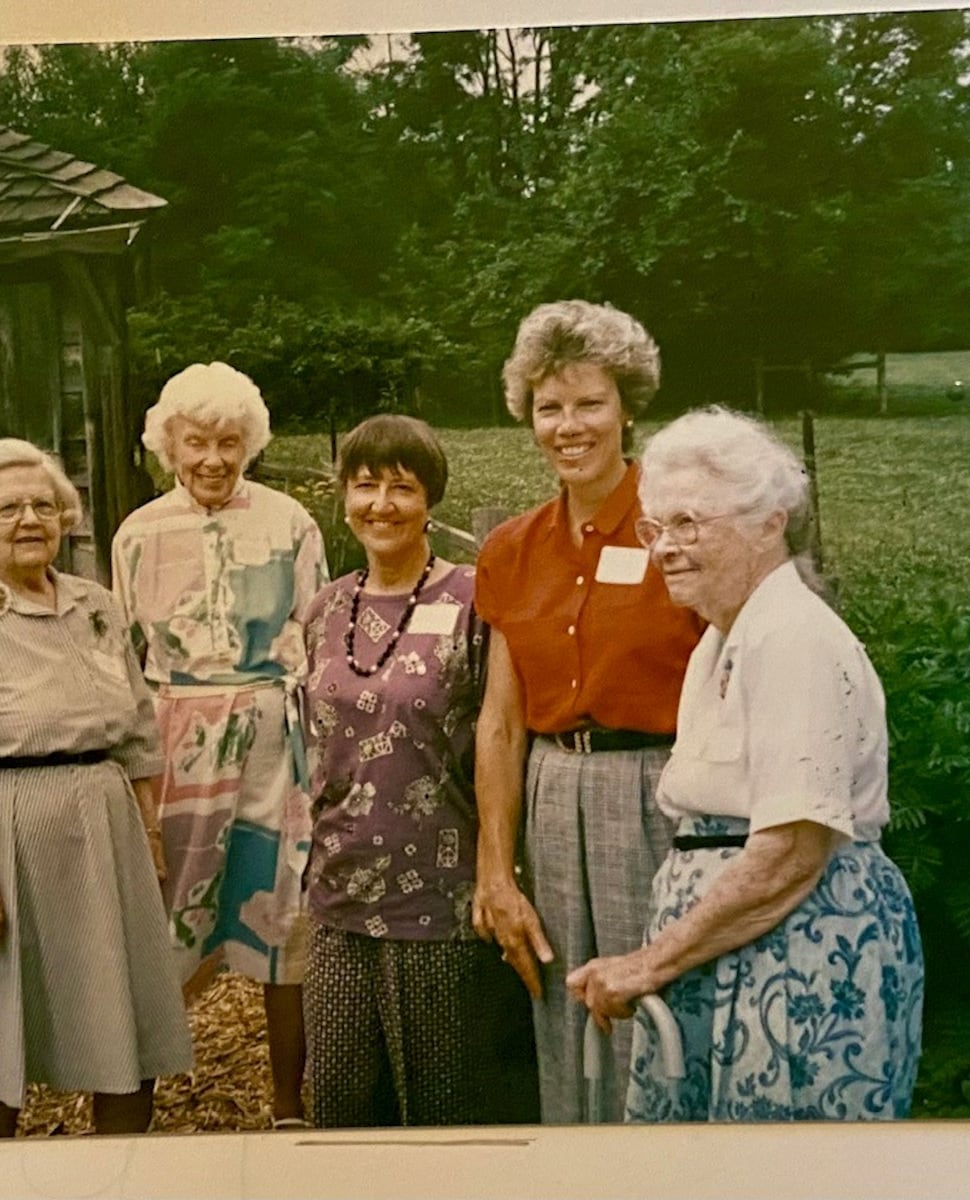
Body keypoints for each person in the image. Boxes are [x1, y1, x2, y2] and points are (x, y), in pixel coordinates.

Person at [566, 406, 925, 1121]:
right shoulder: (726, 638)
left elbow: (792, 851)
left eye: (689, 524)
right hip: (743, 954)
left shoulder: (790, 638)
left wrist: (648, 964)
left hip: (799, 957)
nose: (665, 547)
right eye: (654, 528)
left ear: (770, 523)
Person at [0, 437, 193, 1138]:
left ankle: (122, 1179)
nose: (30, 520)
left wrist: (149, 833)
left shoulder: (96, 606)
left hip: (105, 833)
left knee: (130, 1025)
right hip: (3, 834)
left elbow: (139, 731)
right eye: (9, 508)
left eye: (44, 505)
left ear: (65, 517)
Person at [471, 300, 707, 1123]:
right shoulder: (510, 547)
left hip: (663, 795)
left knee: (659, 1011)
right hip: (550, 792)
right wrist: (495, 872)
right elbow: (500, 724)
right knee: (566, 1019)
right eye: (550, 407)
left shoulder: (681, 529)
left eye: (589, 403)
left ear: (628, 406)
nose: (568, 425)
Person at [300, 414, 538, 1129]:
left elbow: (504, 736)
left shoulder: (474, 603)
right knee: (344, 1111)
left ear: (429, 499)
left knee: (448, 1112)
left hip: (440, 898)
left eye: (401, 488)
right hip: (338, 896)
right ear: (343, 495)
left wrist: (498, 871)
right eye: (365, 485)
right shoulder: (324, 608)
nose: (381, 505)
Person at [111, 362, 326, 1127]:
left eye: (228, 442)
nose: (211, 459)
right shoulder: (138, 533)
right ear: (169, 445)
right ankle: (131, 1101)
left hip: (272, 735)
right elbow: (125, 659)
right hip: (176, 740)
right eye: (195, 442)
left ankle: (288, 1105)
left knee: (286, 911)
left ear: (250, 445)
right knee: (163, 914)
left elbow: (317, 636)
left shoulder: (290, 522)